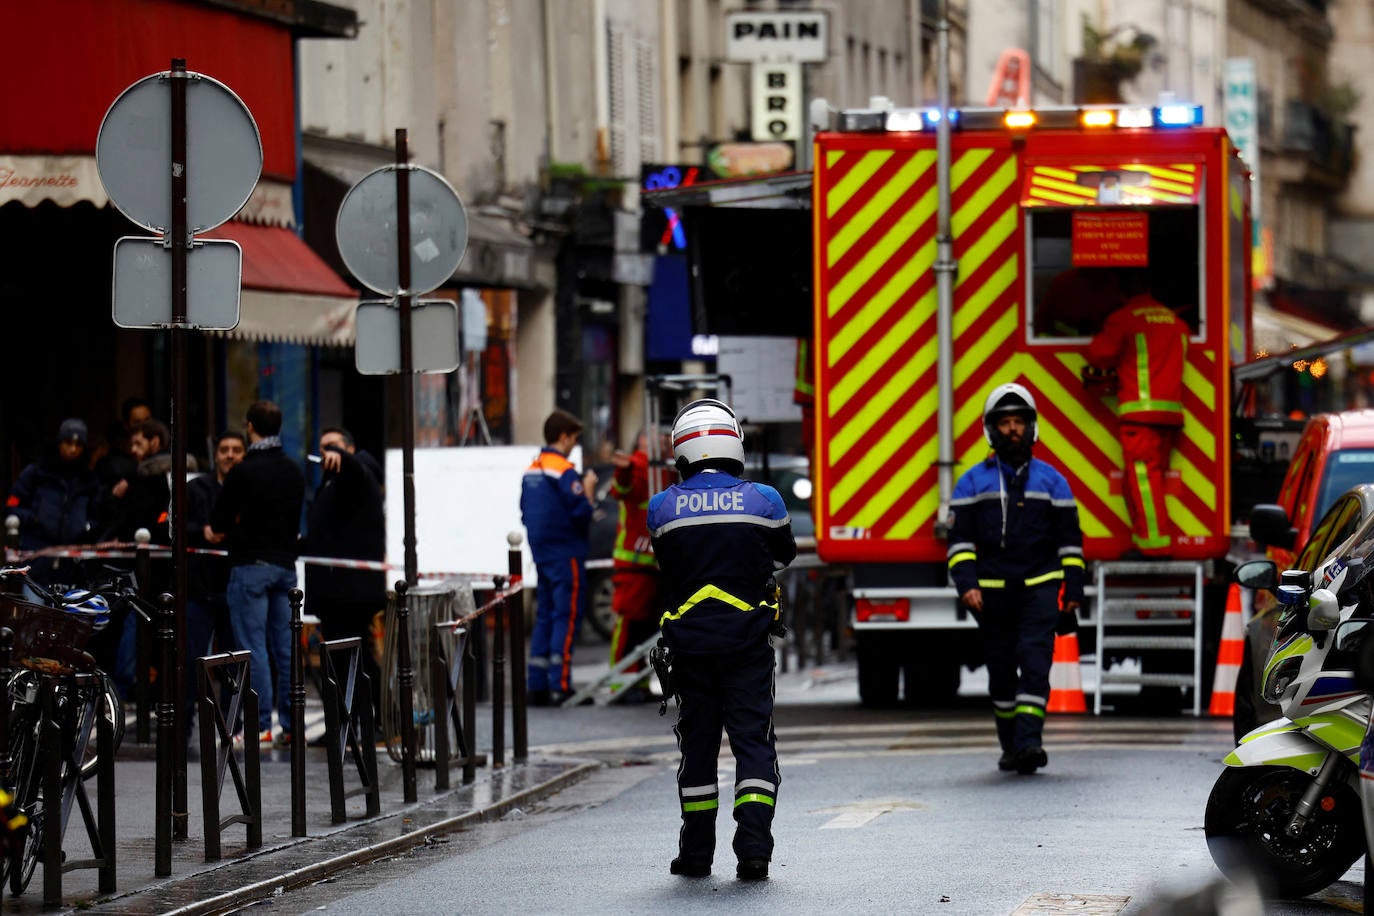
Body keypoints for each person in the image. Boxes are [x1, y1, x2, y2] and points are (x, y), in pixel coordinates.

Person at [646, 398, 796, 882]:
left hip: (689, 651)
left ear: (682, 450)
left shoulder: (662, 507)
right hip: (747, 648)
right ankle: (754, 851)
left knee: (698, 748)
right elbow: (785, 554)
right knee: (753, 746)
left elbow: (665, 565)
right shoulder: (764, 500)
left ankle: (695, 856)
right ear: (734, 443)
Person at [947, 383, 1084, 775]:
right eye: (1005, 422)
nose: (1012, 429)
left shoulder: (1054, 482)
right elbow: (960, 542)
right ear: (992, 429)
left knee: (1036, 666)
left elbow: (1070, 543)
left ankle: (1029, 743)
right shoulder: (971, 483)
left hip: (1039, 591)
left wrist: (1073, 591)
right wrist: (966, 585)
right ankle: (1011, 746)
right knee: (1002, 672)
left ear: (1031, 427)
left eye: (1018, 422)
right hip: (989, 595)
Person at [209, 401, 305, 747]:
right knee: (285, 647)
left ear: (250, 427)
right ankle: (293, 725)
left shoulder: (244, 471)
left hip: (250, 564)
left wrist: (229, 526)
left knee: (253, 647)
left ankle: (260, 724)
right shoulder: (294, 470)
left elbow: (218, 522)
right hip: (285, 567)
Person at [1085, 269, 1189, 558]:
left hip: (1140, 416)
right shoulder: (1174, 321)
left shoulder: (1125, 318)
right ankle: (1145, 540)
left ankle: (1155, 546)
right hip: (1169, 416)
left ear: (1123, 290)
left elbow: (1098, 354)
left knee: (1143, 483)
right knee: (1149, 481)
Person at [302, 427, 386, 732]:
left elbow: (355, 469)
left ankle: (365, 722)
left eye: (334, 446)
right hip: (336, 591)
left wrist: (342, 459)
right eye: (323, 447)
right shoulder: (331, 482)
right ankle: (349, 724)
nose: (327, 453)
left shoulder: (357, 474)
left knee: (352, 659)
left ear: (349, 448)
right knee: (347, 659)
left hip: (350, 591)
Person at [520, 409, 597, 706]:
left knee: (545, 616)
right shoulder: (564, 470)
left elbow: (525, 511)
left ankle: (536, 684)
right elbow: (581, 512)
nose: (574, 445)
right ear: (563, 437)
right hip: (567, 554)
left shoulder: (532, 469)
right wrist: (588, 491)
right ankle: (560, 684)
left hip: (542, 554)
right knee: (566, 617)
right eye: (574, 439)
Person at [185, 431, 245, 723]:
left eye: (236, 449)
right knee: (193, 656)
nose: (230, 455)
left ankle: (232, 722)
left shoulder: (249, 487)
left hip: (235, 582)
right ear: (216, 454)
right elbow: (177, 526)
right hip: (201, 585)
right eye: (225, 449)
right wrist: (203, 531)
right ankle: (185, 718)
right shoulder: (196, 488)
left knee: (234, 659)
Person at [6, 418, 101, 581]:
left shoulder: (88, 479)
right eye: (68, 443)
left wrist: (86, 526)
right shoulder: (37, 472)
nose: (73, 449)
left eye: (78, 445)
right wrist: (34, 517)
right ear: (59, 443)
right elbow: (12, 505)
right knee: (33, 605)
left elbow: (98, 513)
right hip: (36, 555)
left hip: (72, 562)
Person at [606, 430, 661, 697]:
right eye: (652, 439)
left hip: (651, 566)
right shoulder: (640, 466)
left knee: (646, 629)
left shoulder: (661, 469)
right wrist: (627, 468)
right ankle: (622, 683)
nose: (659, 442)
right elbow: (623, 485)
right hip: (635, 566)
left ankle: (637, 682)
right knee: (630, 627)